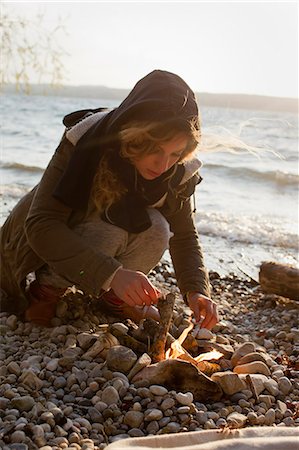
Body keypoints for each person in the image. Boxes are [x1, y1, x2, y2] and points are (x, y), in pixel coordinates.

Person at [0, 70, 218, 328]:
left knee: (158, 228)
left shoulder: (178, 171)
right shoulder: (85, 140)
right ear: (135, 135)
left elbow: (184, 235)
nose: (163, 164)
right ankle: (46, 292)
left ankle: (114, 299)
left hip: (97, 238)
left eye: (175, 153)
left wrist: (197, 290)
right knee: (111, 232)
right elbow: (41, 225)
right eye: (155, 150)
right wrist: (112, 274)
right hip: (34, 241)